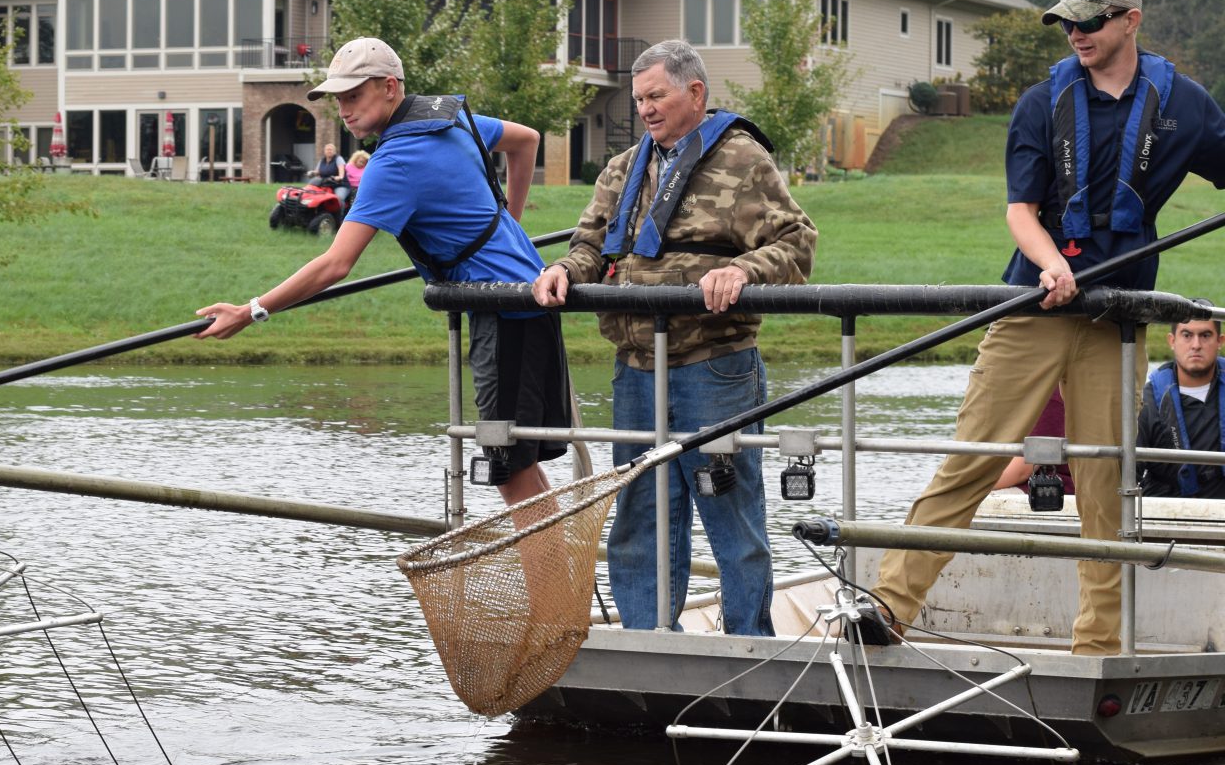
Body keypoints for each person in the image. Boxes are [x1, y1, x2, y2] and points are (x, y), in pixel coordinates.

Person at [870, 0, 1225, 655]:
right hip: (1033, 304)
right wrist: (1051, 262)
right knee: (972, 456)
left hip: (1113, 320)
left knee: (1103, 481)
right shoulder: (1041, 102)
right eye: (1067, 22)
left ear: (1130, 22)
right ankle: (888, 605)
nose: (1076, 34)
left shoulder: (1185, 105)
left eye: (1090, 22)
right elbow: (1020, 211)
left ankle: (1098, 645)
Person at [195, 36, 570, 506]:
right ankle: (562, 579)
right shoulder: (450, 118)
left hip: (506, 312)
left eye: (354, 95)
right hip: (524, 298)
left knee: (509, 472)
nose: (344, 109)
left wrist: (251, 311)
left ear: (390, 87)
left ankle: (555, 581)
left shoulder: (393, 161)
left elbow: (335, 263)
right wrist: (511, 222)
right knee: (519, 471)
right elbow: (527, 140)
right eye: (338, 99)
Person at [532, 39, 816, 634]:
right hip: (635, 365)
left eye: (656, 95)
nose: (645, 109)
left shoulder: (743, 161)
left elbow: (796, 242)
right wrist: (563, 271)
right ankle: (649, 640)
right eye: (638, 99)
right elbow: (589, 246)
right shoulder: (622, 168)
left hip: (713, 365)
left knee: (729, 507)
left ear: (696, 93)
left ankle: (749, 645)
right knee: (639, 511)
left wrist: (741, 270)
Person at [1138, 316, 1225, 498]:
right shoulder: (1148, 401)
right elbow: (1126, 472)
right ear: (1172, 341)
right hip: (1165, 514)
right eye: (1187, 335)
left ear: (1220, 341)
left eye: (1205, 335)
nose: (1196, 345)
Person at [993, 388, 1075, 494]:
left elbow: (1021, 471)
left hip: (1048, 489)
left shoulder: (1050, 399)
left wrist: (971, 484)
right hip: (1035, 481)